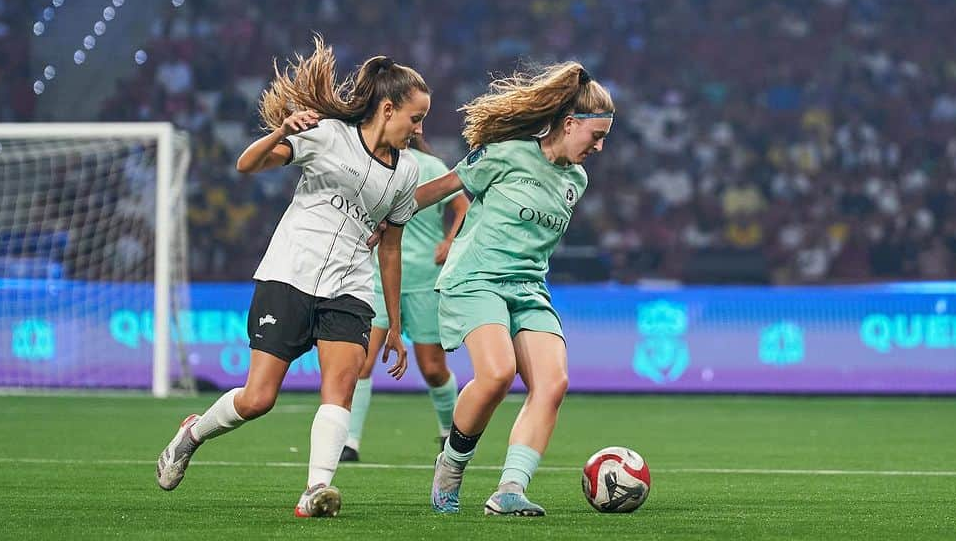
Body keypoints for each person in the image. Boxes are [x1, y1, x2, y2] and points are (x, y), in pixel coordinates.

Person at [156, 37, 429, 518]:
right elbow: (247, 165)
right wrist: (280, 129)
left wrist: (397, 325)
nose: (420, 129)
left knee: (339, 388)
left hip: (350, 287)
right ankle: (192, 434)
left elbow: (391, 246)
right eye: (416, 117)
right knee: (258, 398)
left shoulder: (406, 173)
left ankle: (315, 490)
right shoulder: (327, 136)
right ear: (388, 109)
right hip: (289, 274)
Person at [415, 62, 614, 516]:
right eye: (595, 136)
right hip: (476, 279)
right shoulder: (506, 154)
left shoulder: (576, 181)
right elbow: (444, 188)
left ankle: (509, 490)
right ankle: (451, 465)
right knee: (498, 373)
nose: (600, 147)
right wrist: (385, 216)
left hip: (528, 288)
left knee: (553, 382)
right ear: (569, 124)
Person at [340, 135, 470, 462]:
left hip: (425, 278)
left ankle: (448, 433)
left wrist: (450, 241)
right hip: (379, 276)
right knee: (363, 361)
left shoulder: (431, 166)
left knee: (433, 368)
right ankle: (349, 442)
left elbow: (462, 206)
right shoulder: (373, 165)